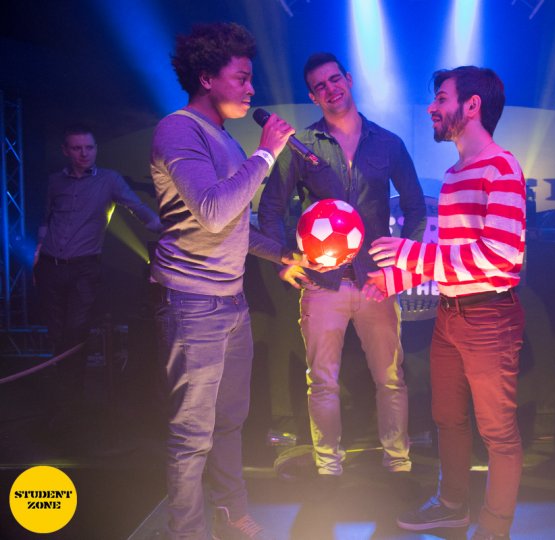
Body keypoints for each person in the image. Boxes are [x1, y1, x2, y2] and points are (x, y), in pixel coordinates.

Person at [151, 22, 299, 540]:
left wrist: (282, 253)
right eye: (242, 78)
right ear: (206, 78)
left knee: (230, 421)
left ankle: (231, 515)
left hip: (231, 303)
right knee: (192, 433)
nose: (251, 89)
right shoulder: (178, 130)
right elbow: (213, 211)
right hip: (192, 304)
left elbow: (236, 225)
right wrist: (266, 153)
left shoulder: (224, 139)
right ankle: (186, 532)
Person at [369, 66, 526, 540]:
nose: (431, 108)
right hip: (450, 315)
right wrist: (395, 277)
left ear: (472, 105)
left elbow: (500, 254)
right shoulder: (455, 174)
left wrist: (411, 255)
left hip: (489, 316)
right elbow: (453, 258)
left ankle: (495, 528)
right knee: (448, 419)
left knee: (497, 432)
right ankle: (453, 507)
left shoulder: (501, 167)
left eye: (441, 98)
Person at [258, 52, 426, 478]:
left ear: (348, 80)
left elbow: (415, 208)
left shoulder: (387, 143)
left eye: (335, 80)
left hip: (375, 283)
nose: (330, 89)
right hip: (321, 283)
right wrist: (282, 259)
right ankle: (327, 468)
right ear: (312, 96)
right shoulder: (301, 145)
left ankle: (398, 464)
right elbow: (270, 207)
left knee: (390, 379)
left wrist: (399, 270)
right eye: (320, 86)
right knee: (322, 382)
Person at [34, 124, 162, 430]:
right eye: (77, 148)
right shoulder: (55, 181)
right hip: (51, 265)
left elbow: (136, 207)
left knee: (75, 331)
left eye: (89, 148)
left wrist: (169, 229)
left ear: (96, 149)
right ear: (66, 151)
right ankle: (65, 404)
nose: (84, 154)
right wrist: (38, 252)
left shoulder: (109, 180)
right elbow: (46, 218)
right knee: (58, 334)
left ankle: (71, 404)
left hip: (84, 268)